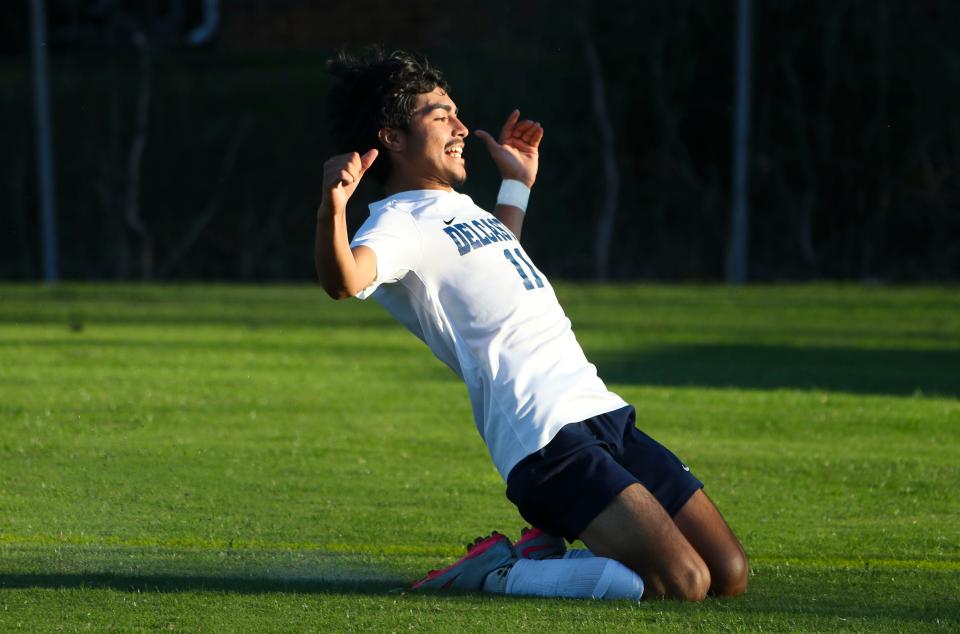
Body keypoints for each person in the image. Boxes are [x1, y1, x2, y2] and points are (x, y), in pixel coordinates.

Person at [315, 48, 748, 601]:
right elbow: (345, 280)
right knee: (682, 582)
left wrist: (517, 187)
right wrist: (332, 208)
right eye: (439, 115)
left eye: (455, 112)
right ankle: (498, 571)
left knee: (727, 573)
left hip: (599, 409)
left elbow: (498, 264)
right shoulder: (397, 225)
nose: (462, 127)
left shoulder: (463, 208)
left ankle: (554, 549)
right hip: (544, 439)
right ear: (393, 138)